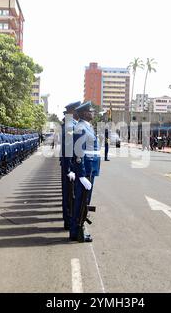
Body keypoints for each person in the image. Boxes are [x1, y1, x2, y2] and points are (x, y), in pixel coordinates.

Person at [71, 102, 100, 243]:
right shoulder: (81, 128)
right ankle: (77, 231)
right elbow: (78, 153)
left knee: (85, 200)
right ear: (83, 114)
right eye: (91, 111)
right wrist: (81, 175)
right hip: (86, 170)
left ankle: (79, 228)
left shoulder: (87, 127)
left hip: (90, 169)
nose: (93, 113)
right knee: (81, 201)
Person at [60, 101, 81, 231]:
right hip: (70, 165)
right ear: (73, 111)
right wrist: (69, 169)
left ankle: (69, 219)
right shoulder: (69, 125)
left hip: (70, 164)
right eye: (77, 110)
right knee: (69, 195)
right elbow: (68, 148)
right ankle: (68, 220)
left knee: (69, 194)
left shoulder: (71, 124)